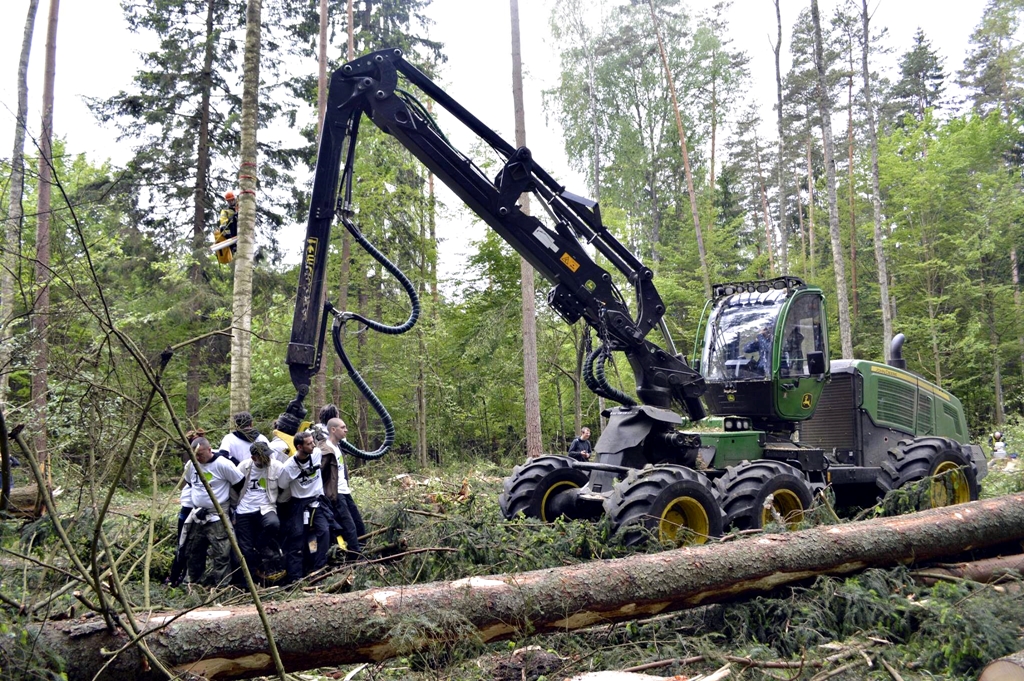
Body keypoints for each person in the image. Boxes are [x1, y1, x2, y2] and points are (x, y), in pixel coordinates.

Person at [183, 437, 243, 587]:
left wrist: (232, 507)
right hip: (197, 514)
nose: (198, 458)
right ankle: (194, 584)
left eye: (201, 454)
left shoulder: (223, 464)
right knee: (193, 551)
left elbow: (239, 483)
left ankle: (222, 586)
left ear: (209, 450)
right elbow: (190, 484)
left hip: (218, 515)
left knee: (222, 552)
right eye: (195, 455)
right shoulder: (191, 464)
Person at [277, 431, 330, 583]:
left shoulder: (317, 454)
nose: (313, 445)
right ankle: (296, 576)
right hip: (299, 503)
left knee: (324, 531)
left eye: (313, 442)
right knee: (297, 537)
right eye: (309, 444)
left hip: (317, 500)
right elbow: (282, 484)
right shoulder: (288, 467)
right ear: (299, 447)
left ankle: (320, 570)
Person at [234, 442, 285, 582]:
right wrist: (233, 509)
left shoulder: (276, 466)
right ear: (254, 458)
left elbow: (286, 486)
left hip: (266, 506)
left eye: (268, 455)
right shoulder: (243, 467)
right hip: (244, 509)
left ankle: (260, 546)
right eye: (264, 456)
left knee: (273, 524)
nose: (268, 458)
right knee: (245, 548)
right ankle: (249, 581)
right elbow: (234, 489)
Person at [320, 417, 364, 557]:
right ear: (333, 429)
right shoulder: (325, 450)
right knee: (349, 525)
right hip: (336, 493)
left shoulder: (339, 446)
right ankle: (356, 558)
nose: (346, 430)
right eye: (343, 427)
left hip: (345, 490)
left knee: (358, 522)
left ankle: (366, 550)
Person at [214, 191, 239, 264]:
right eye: (229, 201)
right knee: (223, 228)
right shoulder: (225, 211)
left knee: (235, 219)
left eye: (232, 200)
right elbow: (223, 222)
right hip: (231, 230)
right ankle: (233, 245)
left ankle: (234, 245)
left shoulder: (239, 206)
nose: (231, 202)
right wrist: (230, 220)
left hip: (239, 227)